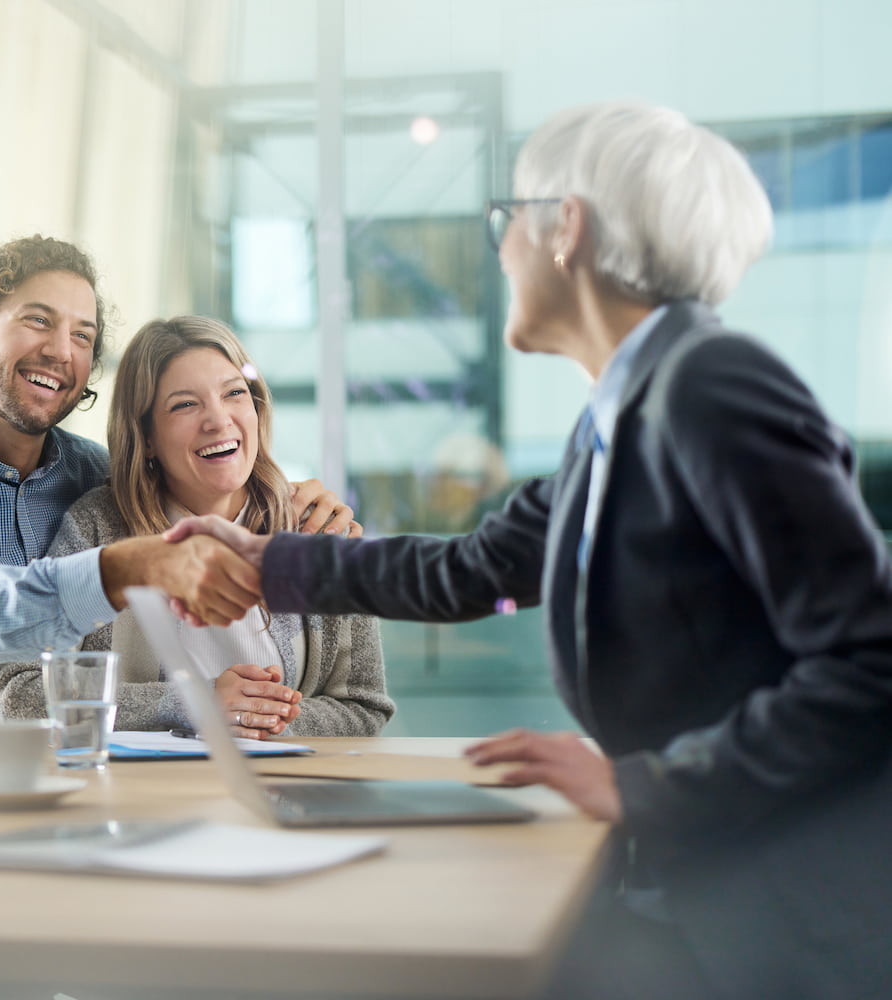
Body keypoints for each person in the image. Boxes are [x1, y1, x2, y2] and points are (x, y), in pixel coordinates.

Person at [167, 103, 892, 999]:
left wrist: (648, 787)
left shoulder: (712, 384)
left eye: (507, 222)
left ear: (567, 228)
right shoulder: (618, 414)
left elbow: (871, 657)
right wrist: (265, 559)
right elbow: (471, 569)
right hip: (700, 887)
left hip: (785, 920)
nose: (501, 251)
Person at [0, 234, 354, 665]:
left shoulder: (94, 476)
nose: (60, 351)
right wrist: (123, 567)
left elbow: (202, 475)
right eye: (38, 320)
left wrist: (295, 504)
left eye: (83, 336)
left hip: (38, 771)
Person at [0, 316, 394, 738]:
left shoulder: (318, 528)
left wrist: (259, 720)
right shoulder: (96, 527)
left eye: (235, 394)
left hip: (284, 796)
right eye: (185, 404)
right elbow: (21, 694)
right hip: (144, 798)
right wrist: (192, 705)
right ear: (145, 436)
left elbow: (364, 705)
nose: (218, 420)